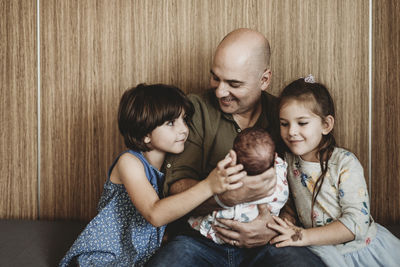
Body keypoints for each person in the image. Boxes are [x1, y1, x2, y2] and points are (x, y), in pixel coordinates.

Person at [147, 29, 325, 266]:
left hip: (268, 241)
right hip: (201, 240)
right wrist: (225, 197)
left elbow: (304, 185)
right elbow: (176, 188)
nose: (220, 91)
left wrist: (274, 228)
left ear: (264, 79)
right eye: (215, 78)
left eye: (234, 84)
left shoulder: (286, 116)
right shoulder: (194, 110)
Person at [59, 84, 244, 267]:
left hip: (137, 260)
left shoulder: (171, 169)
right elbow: (154, 214)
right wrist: (209, 186)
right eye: (171, 123)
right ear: (146, 134)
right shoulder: (130, 163)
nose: (184, 129)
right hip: (105, 258)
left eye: (184, 119)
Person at [269, 75, 400, 266]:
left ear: (326, 125)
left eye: (302, 123)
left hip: (359, 252)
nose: (291, 131)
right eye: (284, 123)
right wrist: (287, 220)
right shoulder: (287, 161)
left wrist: (302, 235)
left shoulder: (344, 163)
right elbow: (290, 200)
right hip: (318, 249)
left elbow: (357, 224)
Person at [188, 127, 289, 244]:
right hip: (261, 222)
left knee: (221, 218)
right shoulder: (280, 168)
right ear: (275, 157)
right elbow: (282, 198)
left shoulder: (228, 173)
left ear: (233, 156)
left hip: (225, 234)